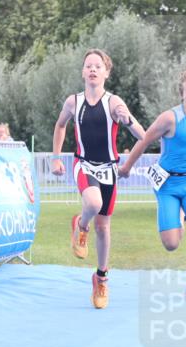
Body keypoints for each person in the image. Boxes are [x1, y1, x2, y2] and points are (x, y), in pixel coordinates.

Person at [51, 49, 145, 309]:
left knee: (104, 227)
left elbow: (139, 131)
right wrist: (56, 157)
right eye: (88, 66)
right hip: (83, 163)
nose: (93, 69)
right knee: (92, 203)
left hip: (109, 169)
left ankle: (101, 277)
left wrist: (128, 121)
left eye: (98, 66)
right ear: (83, 72)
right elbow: (60, 125)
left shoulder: (114, 102)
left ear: (106, 72)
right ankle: (81, 226)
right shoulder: (73, 102)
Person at [119, 68, 186, 302]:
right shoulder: (169, 118)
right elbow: (143, 141)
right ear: (182, 94)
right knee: (171, 244)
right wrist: (126, 168)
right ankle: (175, 217)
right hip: (167, 184)